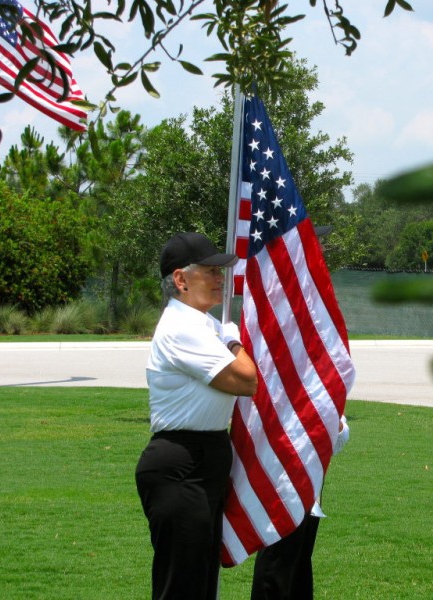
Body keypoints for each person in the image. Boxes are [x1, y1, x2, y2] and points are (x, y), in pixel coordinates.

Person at [135, 231, 258, 600]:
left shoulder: (203, 324)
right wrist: (233, 341)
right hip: (181, 462)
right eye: (211, 271)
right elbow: (245, 379)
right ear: (180, 279)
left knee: (202, 583)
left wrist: (225, 336)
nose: (221, 278)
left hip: (206, 457)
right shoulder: (181, 328)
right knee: (183, 586)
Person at [250, 415, 350, 600]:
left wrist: (336, 426)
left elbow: (338, 442)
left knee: (299, 572)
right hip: (280, 495)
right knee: (273, 574)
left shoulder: (319, 390)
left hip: (309, 499)